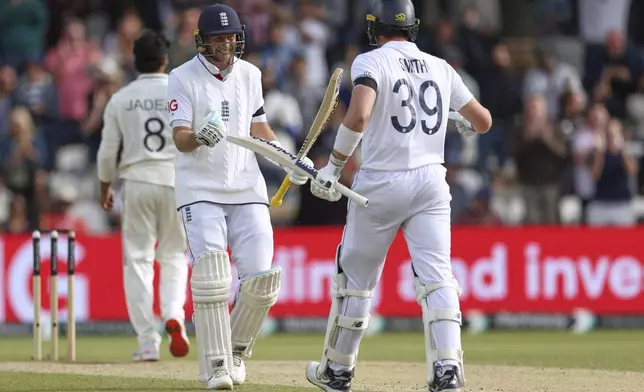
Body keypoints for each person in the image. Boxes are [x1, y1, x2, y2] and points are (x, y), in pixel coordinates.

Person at [302, 1, 492, 391]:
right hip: (431, 185)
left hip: (380, 184)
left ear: (375, 28)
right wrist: (456, 118)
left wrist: (334, 168)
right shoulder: (442, 66)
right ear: (414, 27)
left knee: (355, 281)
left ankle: (338, 372)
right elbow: (484, 121)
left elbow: (359, 115)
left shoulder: (370, 62)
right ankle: (448, 372)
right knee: (438, 279)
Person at [167, 3, 312, 389]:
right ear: (203, 42)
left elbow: (259, 127)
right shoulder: (181, 77)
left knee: (262, 280)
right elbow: (179, 137)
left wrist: (289, 160)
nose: (226, 43)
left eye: (230, 36)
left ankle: (233, 351)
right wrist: (198, 136)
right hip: (200, 189)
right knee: (213, 275)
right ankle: (216, 366)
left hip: (247, 186)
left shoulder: (251, 73)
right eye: (218, 38)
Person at [96, 30, 190, 362]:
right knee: (174, 257)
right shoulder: (180, 90)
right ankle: (173, 314)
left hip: (136, 181)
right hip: (176, 182)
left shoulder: (121, 97)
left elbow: (108, 151)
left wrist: (105, 185)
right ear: (166, 60)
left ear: (136, 62)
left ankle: (148, 341)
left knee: (138, 261)